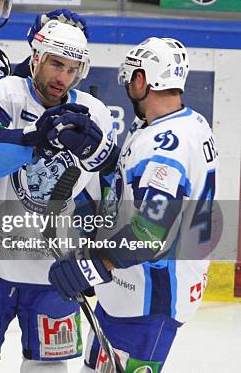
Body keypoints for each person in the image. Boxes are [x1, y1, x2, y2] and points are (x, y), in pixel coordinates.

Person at [0, 20, 119, 373]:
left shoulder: (94, 113)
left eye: (72, 69)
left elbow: (110, 187)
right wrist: (37, 137)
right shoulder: (1, 93)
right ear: (36, 58)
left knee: (49, 368)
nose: (62, 78)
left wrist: (97, 254)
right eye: (56, 64)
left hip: (57, 265)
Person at [48, 37, 219, 372]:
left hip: (150, 299)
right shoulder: (188, 123)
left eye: (130, 79)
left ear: (143, 79)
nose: (128, 87)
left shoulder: (164, 148)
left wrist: (93, 263)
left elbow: (150, 232)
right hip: (130, 292)